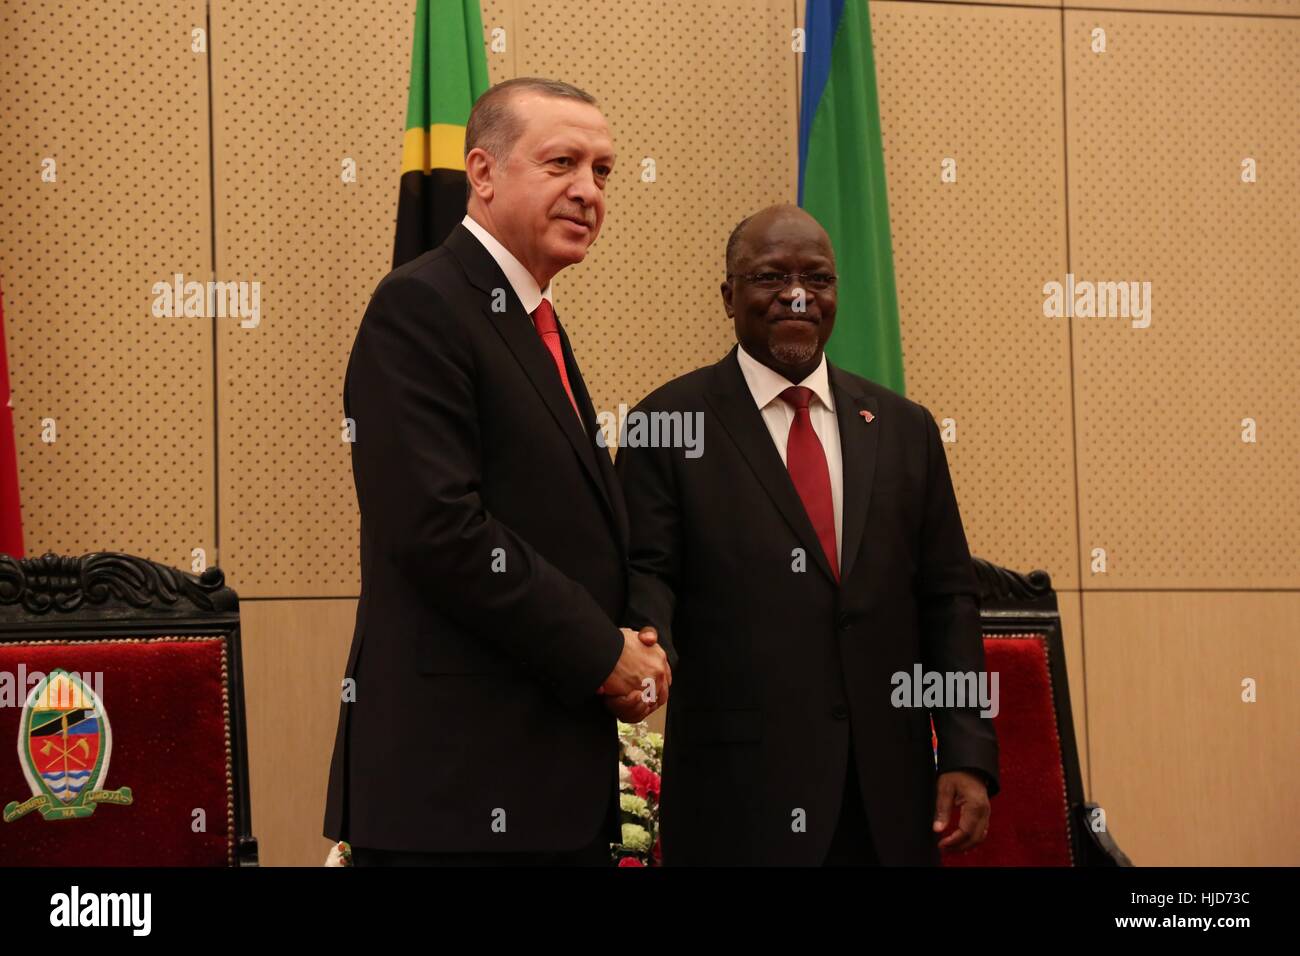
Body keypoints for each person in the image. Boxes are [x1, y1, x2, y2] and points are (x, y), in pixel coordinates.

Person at [324, 77, 669, 866]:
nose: (588, 191)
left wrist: (643, 640)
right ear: (482, 173)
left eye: (605, 171)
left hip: (546, 783)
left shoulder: (531, 316)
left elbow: (576, 528)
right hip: (453, 794)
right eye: (562, 163)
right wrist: (600, 650)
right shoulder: (420, 307)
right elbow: (439, 528)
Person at [616, 204, 997, 865]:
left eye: (816, 278)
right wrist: (645, 656)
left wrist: (967, 752)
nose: (797, 294)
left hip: (888, 799)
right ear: (729, 295)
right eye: (770, 276)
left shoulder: (905, 429)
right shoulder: (666, 423)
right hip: (736, 800)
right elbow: (646, 577)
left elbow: (948, 599)